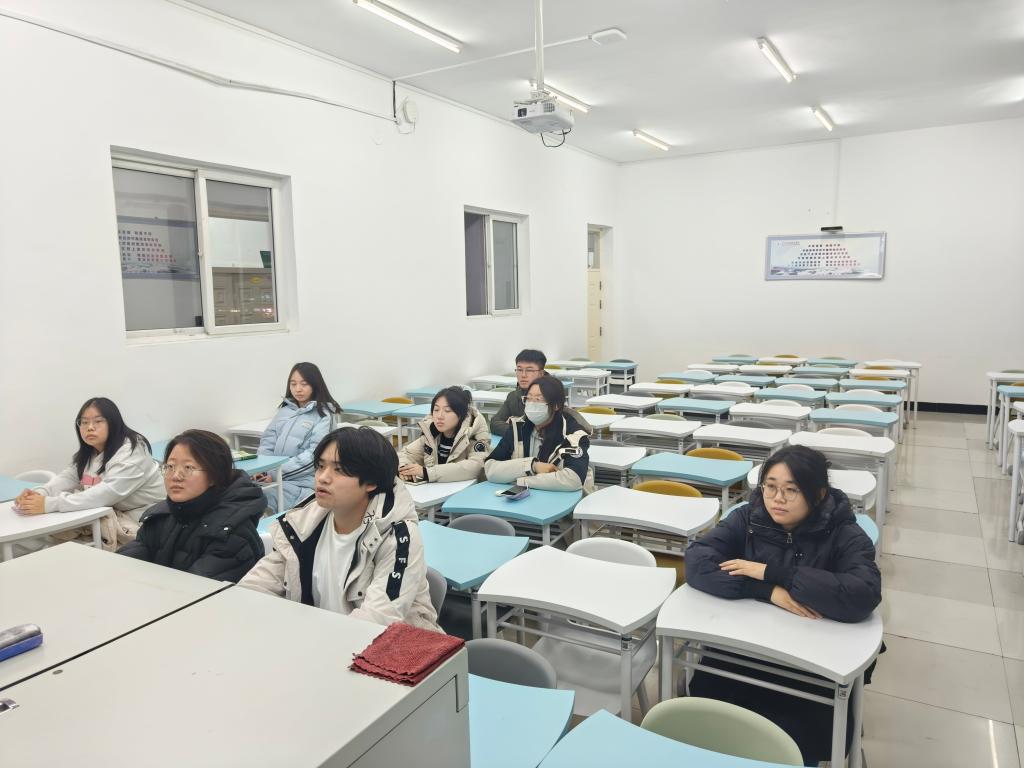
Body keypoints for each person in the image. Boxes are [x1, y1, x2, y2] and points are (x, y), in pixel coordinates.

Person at [683, 444, 881, 765]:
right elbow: (697, 561)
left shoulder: (844, 533)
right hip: (744, 654)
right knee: (705, 719)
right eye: (770, 487)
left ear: (818, 494)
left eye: (791, 490)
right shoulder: (748, 518)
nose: (777, 499)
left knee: (796, 741)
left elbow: (863, 593)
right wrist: (766, 591)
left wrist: (773, 573)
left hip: (810, 670)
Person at [239, 427, 441, 631]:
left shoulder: (398, 537)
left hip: (390, 646)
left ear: (371, 481)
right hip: (320, 638)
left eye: (339, 470)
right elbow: (254, 587)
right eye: (320, 466)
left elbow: (375, 622)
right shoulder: (302, 525)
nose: (322, 477)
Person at [14, 397, 164, 549]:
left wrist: (48, 504)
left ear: (113, 423)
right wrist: (39, 494)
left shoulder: (132, 451)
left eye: (98, 421)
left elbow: (105, 494)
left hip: (145, 522)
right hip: (109, 516)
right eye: (84, 422)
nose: (90, 427)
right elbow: (69, 477)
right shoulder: (91, 451)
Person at [118, 430, 266, 582]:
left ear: (214, 476)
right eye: (170, 466)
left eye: (188, 468)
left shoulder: (232, 535)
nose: (176, 476)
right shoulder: (160, 518)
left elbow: (193, 589)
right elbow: (124, 564)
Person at [256, 362, 341, 513]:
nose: (298, 389)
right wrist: (263, 472)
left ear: (315, 385)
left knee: (257, 498)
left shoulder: (324, 414)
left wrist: (275, 475)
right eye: (293, 384)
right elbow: (267, 443)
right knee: (238, 491)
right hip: (274, 478)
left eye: (304, 384)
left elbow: (315, 456)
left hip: (303, 484)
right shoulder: (284, 411)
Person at [485, 375, 594, 492]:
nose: (531, 404)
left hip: (563, 499)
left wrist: (522, 480)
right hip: (525, 497)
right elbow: (490, 469)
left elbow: (574, 479)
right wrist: (532, 466)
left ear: (556, 405)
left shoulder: (573, 435)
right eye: (528, 398)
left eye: (538, 399)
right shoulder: (518, 427)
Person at [398, 386, 491, 483]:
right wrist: (405, 470)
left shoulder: (474, 432)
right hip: (437, 488)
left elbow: (476, 466)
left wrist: (427, 473)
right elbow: (405, 454)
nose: (439, 416)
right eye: (436, 410)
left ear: (461, 415)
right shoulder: (431, 432)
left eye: (447, 411)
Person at [489, 349, 548, 435]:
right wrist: (520, 431)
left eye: (529, 370)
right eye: (519, 370)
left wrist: (516, 425)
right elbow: (495, 424)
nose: (523, 375)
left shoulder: (550, 395)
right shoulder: (513, 396)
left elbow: (552, 428)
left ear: (541, 373)